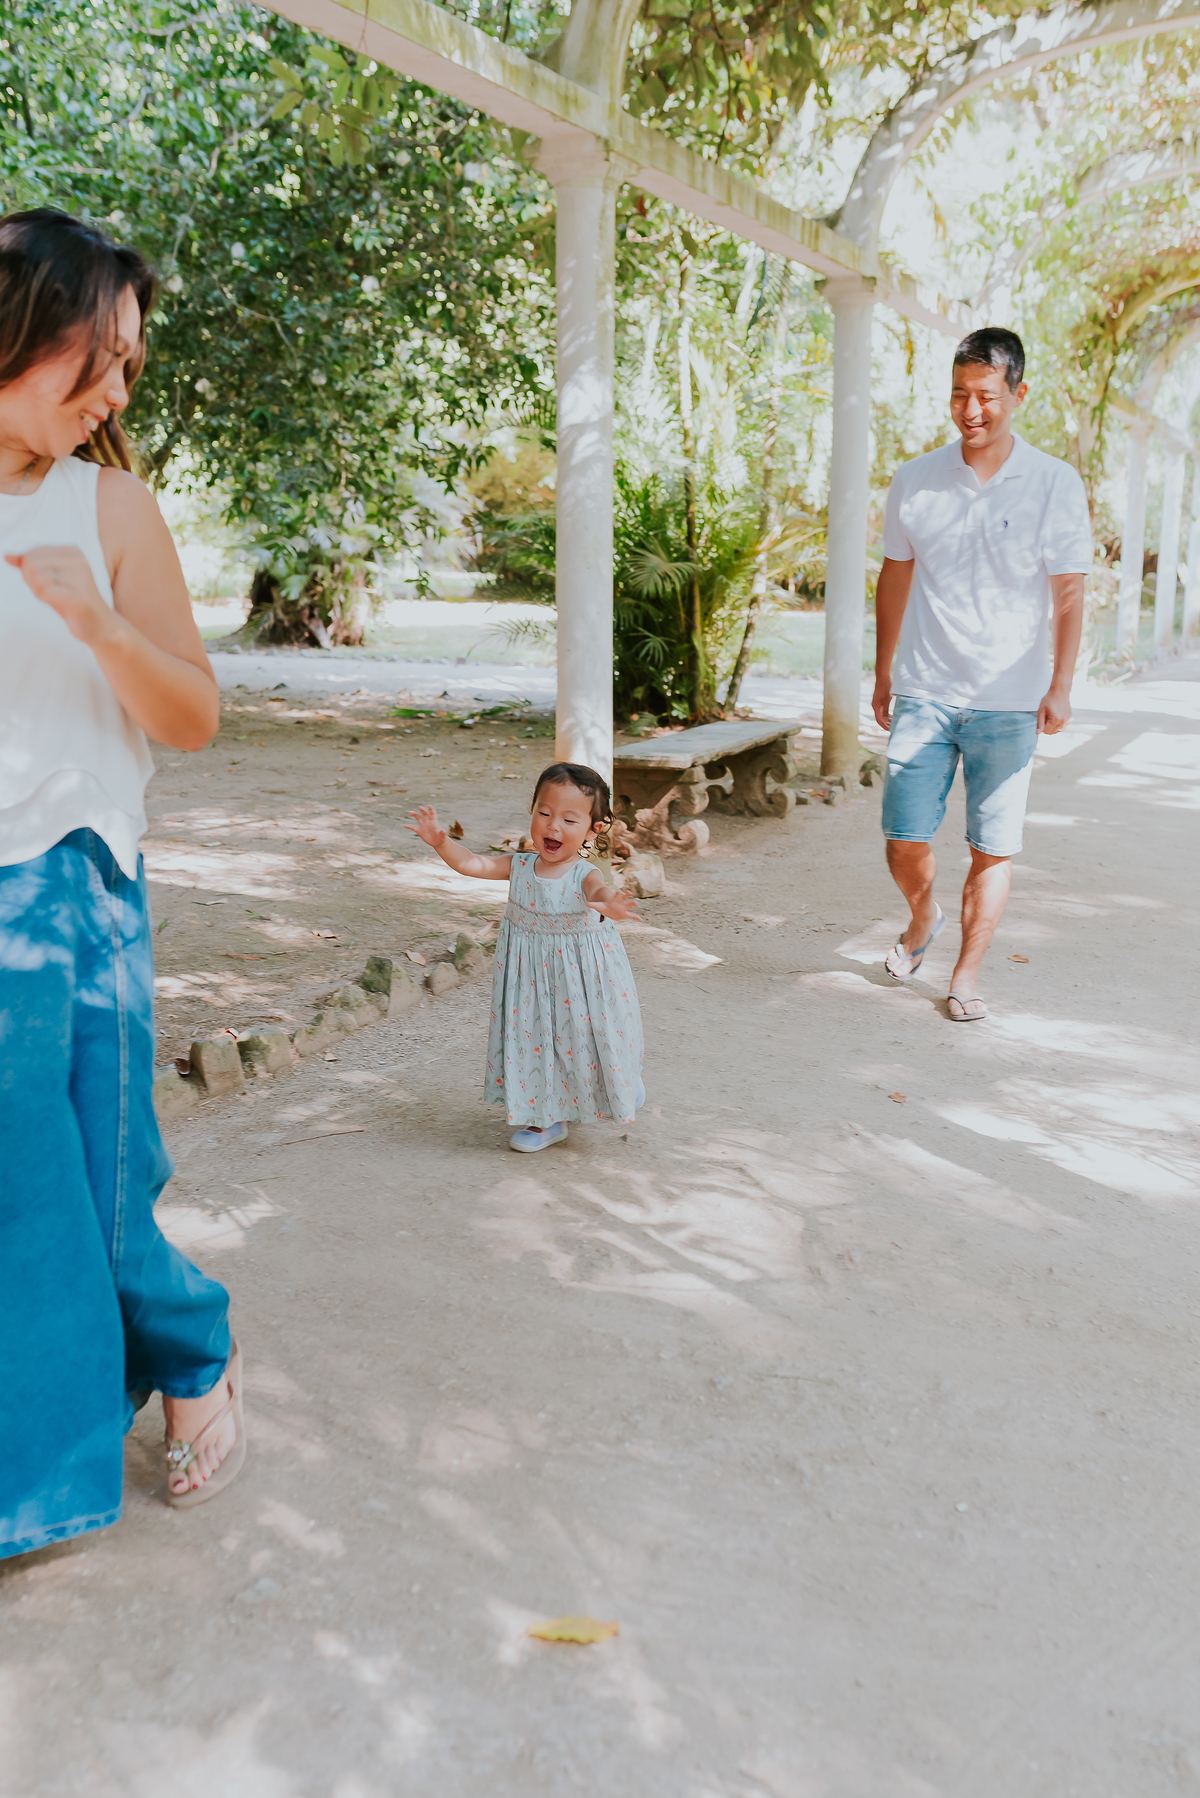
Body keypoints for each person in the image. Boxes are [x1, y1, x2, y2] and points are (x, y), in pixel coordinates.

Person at [0, 209, 244, 1562]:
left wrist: (96, 623)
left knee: (92, 1175)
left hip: (72, 879)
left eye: (130, 368)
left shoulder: (109, 509)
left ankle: (195, 1352)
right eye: (97, 360)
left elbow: (193, 715)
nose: (115, 393)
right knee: (20, 1181)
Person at [872, 326, 1091, 1022]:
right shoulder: (916, 478)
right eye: (960, 394)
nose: (972, 410)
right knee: (903, 838)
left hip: (1009, 698)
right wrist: (882, 672)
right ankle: (923, 915)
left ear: (1017, 395)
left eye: (987, 396)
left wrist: (1060, 684)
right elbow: (894, 577)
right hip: (925, 688)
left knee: (990, 849)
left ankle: (965, 975)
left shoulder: (1053, 483)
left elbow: (1069, 590)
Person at [407, 762, 644, 1149]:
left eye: (569, 819)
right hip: (528, 980)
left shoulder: (583, 874)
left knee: (583, 1041)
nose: (553, 826)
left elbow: (598, 892)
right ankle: (545, 1120)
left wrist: (610, 904)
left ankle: (622, 1085)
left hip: (578, 982)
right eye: (544, 813)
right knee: (533, 1043)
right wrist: (440, 842)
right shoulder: (518, 866)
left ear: (593, 829)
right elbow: (472, 863)